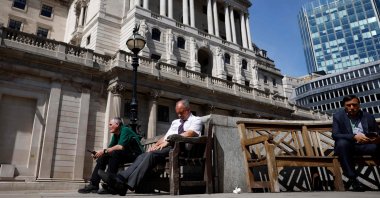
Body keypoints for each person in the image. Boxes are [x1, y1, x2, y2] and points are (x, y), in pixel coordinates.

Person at [99, 99, 203, 195]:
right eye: (177, 113)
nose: (179, 115)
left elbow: (190, 133)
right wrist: (155, 144)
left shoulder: (196, 120)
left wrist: (170, 140)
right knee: (144, 155)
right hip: (169, 147)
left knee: (151, 155)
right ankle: (122, 179)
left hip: (182, 149)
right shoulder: (175, 122)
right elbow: (165, 137)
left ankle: (125, 184)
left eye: (181, 112)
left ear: (188, 110)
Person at [78, 117, 144, 194]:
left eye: (110, 124)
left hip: (137, 155)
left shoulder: (125, 130)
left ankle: (110, 185)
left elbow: (120, 146)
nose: (109, 126)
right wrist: (99, 154)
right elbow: (109, 149)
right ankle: (94, 184)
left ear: (117, 124)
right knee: (104, 156)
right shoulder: (116, 135)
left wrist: (104, 151)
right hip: (126, 154)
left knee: (114, 153)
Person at [332, 95, 380, 191]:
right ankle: (353, 178)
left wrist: (376, 138)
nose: (352, 108)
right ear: (344, 106)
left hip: (366, 146)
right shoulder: (338, 116)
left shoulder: (368, 116)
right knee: (342, 143)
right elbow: (335, 135)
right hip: (348, 147)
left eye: (354, 105)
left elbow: (377, 132)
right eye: (348, 105)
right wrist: (354, 136)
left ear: (359, 105)